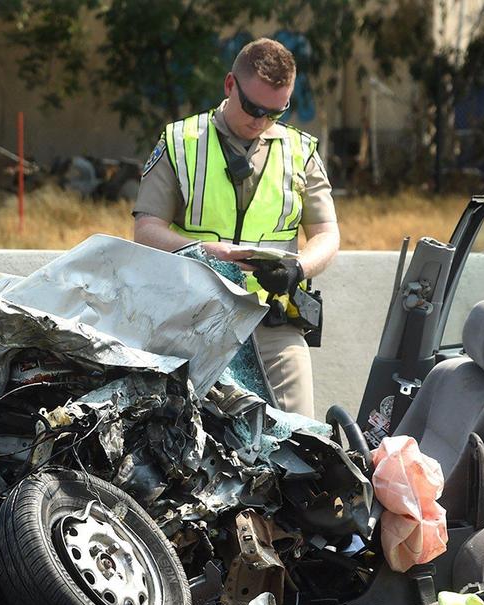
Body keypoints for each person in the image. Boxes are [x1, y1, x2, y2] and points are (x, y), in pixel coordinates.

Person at [132, 37, 339, 418]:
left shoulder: (301, 151)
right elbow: (146, 229)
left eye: (275, 112)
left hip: (272, 320)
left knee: (299, 437)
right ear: (230, 85)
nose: (260, 121)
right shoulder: (180, 142)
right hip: (192, 318)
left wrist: (298, 268)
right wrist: (214, 253)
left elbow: (327, 234)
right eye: (253, 107)